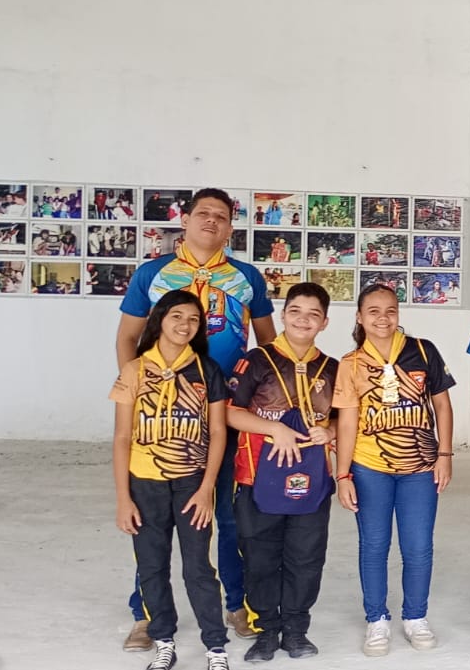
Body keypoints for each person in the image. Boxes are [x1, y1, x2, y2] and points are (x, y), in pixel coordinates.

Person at [116, 187, 276, 651]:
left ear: (230, 227)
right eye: (202, 213)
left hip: (226, 413)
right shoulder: (153, 274)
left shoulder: (246, 277)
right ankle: (147, 614)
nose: (211, 221)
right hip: (164, 417)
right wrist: (139, 391)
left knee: (227, 513)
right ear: (184, 220)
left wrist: (262, 405)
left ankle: (236, 605)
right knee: (152, 519)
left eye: (221, 216)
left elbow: (268, 348)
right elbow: (127, 338)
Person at [110, 289, 234, 670]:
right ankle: (164, 641)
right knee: (152, 566)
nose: (185, 325)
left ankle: (215, 648)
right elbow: (122, 437)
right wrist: (123, 498)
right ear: (159, 320)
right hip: (144, 485)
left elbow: (218, 432)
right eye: (177, 316)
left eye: (194, 319)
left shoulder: (207, 371)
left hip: (190, 484)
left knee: (198, 567)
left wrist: (207, 488)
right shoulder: (134, 370)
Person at [332, 284, 457, 657]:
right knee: (374, 545)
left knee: (418, 546)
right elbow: (347, 423)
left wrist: (445, 454)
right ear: (359, 317)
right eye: (373, 311)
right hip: (370, 467)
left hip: (420, 467)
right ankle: (377, 619)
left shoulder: (423, 350)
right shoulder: (351, 364)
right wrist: (343, 475)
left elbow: (442, 406)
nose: (382, 318)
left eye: (390, 310)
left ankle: (415, 616)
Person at [224, 282, 337, 662]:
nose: (303, 320)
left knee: (306, 558)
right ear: (283, 315)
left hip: (312, 482)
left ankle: (296, 630)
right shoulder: (256, 361)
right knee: (259, 557)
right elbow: (230, 412)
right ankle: (266, 631)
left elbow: (344, 418)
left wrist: (330, 431)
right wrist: (273, 428)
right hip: (257, 479)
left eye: (313, 314)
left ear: (324, 322)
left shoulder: (333, 369)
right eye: (295, 312)